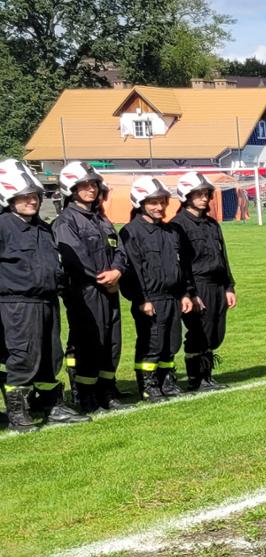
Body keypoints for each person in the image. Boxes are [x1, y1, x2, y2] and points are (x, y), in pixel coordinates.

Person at [0, 160, 89, 431]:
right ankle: (18, 411)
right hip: (17, 303)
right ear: (9, 197)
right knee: (22, 357)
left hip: (47, 301)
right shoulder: (3, 226)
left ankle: (52, 405)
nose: (31, 201)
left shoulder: (43, 228)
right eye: (24, 197)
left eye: (35, 196)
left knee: (51, 355)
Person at [52, 162, 125, 413]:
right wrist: (103, 277)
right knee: (89, 343)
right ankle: (86, 395)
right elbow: (75, 259)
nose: (90, 189)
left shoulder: (101, 219)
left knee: (111, 342)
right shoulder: (66, 221)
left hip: (110, 289)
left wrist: (117, 271)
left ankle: (107, 390)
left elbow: (119, 250)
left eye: (93, 184)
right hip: (85, 291)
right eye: (84, 185)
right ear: (71, 189)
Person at [115, 176, 195, 401]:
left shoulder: (171, 232)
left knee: (171, 342)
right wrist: (142, 299)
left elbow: (179, 266)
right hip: (150, 298)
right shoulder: (131, 232)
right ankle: (148, 384)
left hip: (172, 297)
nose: (159, 207)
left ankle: (166, 380)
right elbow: (131, 271)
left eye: (162, 202)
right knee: (152, 342)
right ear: (140, 202)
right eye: (153, 202)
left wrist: (184, 294)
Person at [170, 172, 238, 392]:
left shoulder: (211, 224)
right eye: (198, 194)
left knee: (216, 333)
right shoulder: (178, 225)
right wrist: (190, 292)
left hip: (217, 284)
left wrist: (229, 286)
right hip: (198, 284)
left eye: (206, 194)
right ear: (186, 195)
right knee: (199, 331)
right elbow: (181, 264)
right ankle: (196, 378)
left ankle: (207, 375)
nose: (204, 198)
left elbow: (223, 256)